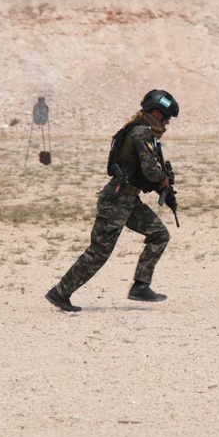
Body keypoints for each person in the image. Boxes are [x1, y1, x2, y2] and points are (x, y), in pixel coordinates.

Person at [45, 90, 179, 312]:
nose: (167, 124)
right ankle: (60, 293)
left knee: (159, 234)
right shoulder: (142, 132)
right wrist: (163, 179)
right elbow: (151, 172)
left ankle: (141, 286)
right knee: (98, 252)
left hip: (129, 200)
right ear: (156, 113)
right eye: (166, 119)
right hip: (116, 201)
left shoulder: (143, 131)